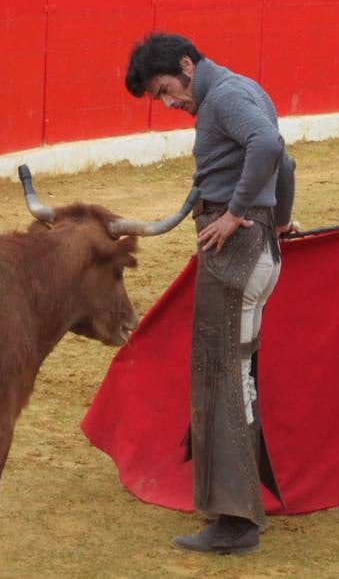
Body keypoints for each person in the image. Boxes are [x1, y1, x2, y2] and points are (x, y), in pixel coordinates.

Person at [124, 32, 296, 556]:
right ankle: (241, 507)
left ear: (186, 65)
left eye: (165, 90)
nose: (169, 103)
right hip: (256, 248)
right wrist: (280, 221)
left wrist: (237, 213)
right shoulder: (242, 90)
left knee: (222, 378)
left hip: (235, 256)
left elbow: (268, 149)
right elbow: (283, 164)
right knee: (236, 376)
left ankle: (236, 523)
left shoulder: (222, 97)